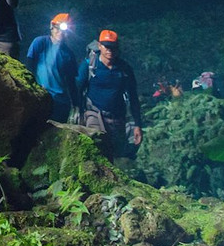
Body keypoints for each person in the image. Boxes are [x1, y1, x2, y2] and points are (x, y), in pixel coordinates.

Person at [77, 28, 144, 158]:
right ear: (99, 46)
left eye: (112, 47)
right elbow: (78, 89)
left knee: (117, 154)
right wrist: (79, 113)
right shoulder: (90, 66)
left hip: (117, 118)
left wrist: (137, 125)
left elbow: (133, 97)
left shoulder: (124, 69)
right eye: (106, 46)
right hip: (94, 114)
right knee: (97, 150)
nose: (109, 50)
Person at [24, 12, 81, 122]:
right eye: (57, 28)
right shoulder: (40, 42)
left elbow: (71, 83)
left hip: (60, 103)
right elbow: (29, 66)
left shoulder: (69, 54)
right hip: (40, 97)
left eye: (64, 31)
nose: (60, 33)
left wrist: (76, 105)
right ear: (52, 27)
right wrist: (32, 88)